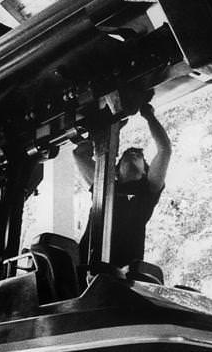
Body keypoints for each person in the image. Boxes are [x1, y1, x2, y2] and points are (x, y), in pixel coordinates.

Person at [73, 103, 171, 268]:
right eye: (127, 153)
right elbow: (79, 155)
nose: (133, 153)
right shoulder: (103, 184)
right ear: (116, 170)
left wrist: (149, 116)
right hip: (85, 265)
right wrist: (107, 131)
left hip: (122, 273)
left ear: (145, 172)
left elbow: (164, 150)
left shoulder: (148, 191)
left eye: (139, 155)